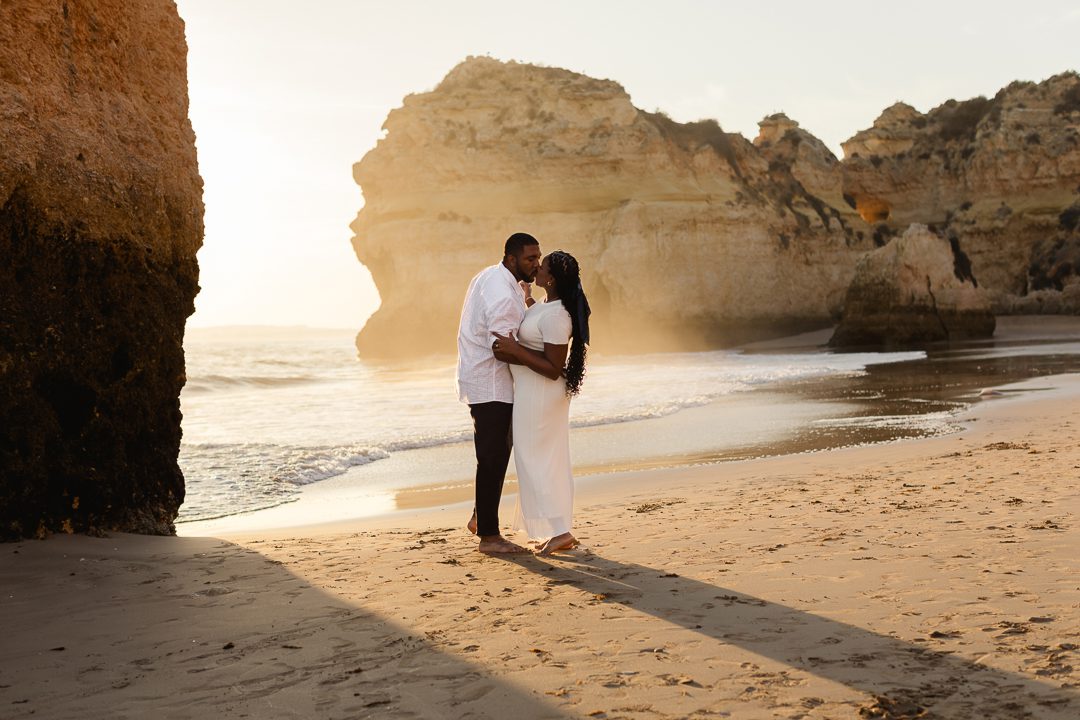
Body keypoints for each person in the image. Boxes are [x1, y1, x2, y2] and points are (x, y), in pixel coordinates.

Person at [493, 250, 590, 555]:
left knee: (539, 462)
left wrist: (515, 349)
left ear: (551, 278)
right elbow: (538, 330)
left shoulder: (559, 317)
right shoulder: (548, 307)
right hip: (532, 394)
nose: (535, 268)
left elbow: (551, 368)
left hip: (541, 396)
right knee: (539, 461)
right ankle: (555, 530)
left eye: (541, 266)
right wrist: (527, 300)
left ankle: (561, 531)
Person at [457, 232, 541, 554]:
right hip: (490, 381)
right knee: (491, 456)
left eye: (537, 258)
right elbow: (501, 348)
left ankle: (481, 517)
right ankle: (489, 538)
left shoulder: (495, 278)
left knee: (497, 451)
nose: (535, 263)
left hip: (484, 379)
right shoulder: (504, 293)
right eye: (529, 258)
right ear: (511, 259)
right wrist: (544, 366)